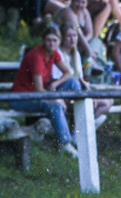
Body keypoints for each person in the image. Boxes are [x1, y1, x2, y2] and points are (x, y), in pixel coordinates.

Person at [11, 25, 79, 158]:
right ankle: (66, 144)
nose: (52, 43)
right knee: (54, 105)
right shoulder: (37, 56)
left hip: (40, 93)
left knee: (74, 83)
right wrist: (57, 98)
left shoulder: (54, 53)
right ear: (43, 40)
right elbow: (39, 91)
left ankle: (76, 130)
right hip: (22, 98)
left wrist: (55, 84)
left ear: (59, 41)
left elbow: (68, 73)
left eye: (55, 40)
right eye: (48, 40)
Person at [54, 24, 112, 126]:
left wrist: (90, 94)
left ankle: (84, 126)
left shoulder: (76, 54)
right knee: (87, 103)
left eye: (75, 35)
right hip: (64, 92)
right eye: (69, 36)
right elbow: (58, 80)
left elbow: (81, 78)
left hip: (78, 91)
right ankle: (81, 128)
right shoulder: (57, 54)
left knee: (108, 101)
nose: (72, 39)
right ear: (62, 38)